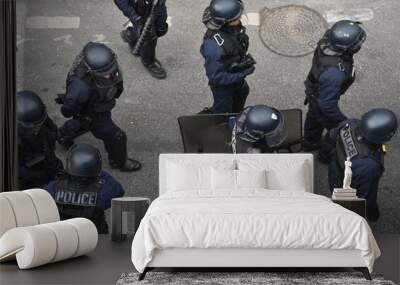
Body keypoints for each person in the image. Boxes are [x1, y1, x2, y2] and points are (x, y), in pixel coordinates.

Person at [56, 42, 141, 172]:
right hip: (93, 112)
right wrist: (75, 107)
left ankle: (62, 135)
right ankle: (119, 162)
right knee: (116, 137)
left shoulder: (102, 64)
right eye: (104, 74)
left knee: (82, 124)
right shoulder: (80, 87)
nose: (108, 76)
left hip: (99, 106)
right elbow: (68, 109)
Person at [320, 108, 398, 221]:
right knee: (348, 209)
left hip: (335, 168)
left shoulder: (350, 123)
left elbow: (331, 137)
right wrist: (371, 213)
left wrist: (324, 156)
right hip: (345, 185)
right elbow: (366, 196)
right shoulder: (369, 166)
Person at [302, 20, 366, 151]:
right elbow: (327, 105)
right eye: (356, 44)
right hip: (322, 96)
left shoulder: (329, 40)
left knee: (314, 116)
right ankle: (326, 153)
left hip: (315, 89)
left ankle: (310, 141)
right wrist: (343, 121)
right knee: (336, 131)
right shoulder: (334, 74)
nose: (359, 45)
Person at [45, 144, 125, 233]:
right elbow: (118, 190)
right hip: (93, 235)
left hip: (63, 234)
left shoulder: (53, 188)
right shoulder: (104, 193)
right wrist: (97, 170)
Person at [200, 0, 256, 114]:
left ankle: (234, 116)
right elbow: (216, 77)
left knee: (243, 92)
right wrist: (242, 73)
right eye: (237, 17)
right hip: (223, 86)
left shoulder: (231, 29)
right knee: (223, 112)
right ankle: (222, 127)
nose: (240, 17)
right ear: (227, 21)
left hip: (233, 74)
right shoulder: (214, 47)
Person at [17, 91, 64, 189]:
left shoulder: (39, 117)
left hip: (44, 154)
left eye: (39, 123)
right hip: (29, 169)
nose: (37, 127)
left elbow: (50, 126)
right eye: (33, 126)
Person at [115, 0, 168, 79]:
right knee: (148, 37)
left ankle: (131, 35)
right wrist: (135, 17)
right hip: (139, 9)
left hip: (158, 4)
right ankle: (149, 62)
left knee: (161, 30)